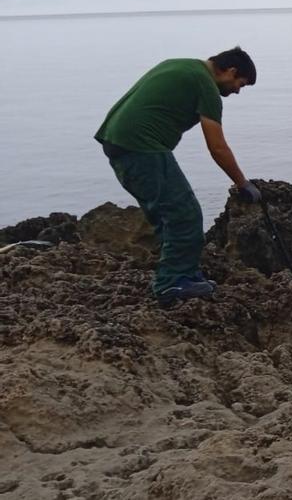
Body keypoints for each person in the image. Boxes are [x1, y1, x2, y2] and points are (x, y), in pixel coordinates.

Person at [94, 47, 260, 308]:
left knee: (166, 215)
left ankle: (186, 274)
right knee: (184, 213)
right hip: (141, 146)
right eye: (241, 84)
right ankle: (171, 283)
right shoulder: (206, 86)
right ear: (231, 71)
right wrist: (243, 183)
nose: (237, 91)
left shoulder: (181, 65)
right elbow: (217, 146)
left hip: (117, 141)